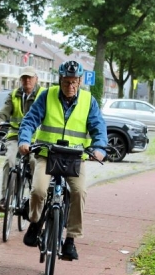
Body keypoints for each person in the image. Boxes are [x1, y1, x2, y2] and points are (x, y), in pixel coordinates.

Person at [18, 60, 107, 260]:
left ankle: (71, 240)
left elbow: (98, 127)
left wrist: (99, 148)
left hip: (75, 158)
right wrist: (24, 140)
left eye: (74, 82)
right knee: (39, 190)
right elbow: (30, 120)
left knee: (79, 192)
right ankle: (35, 222)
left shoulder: (88, 100)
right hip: (47, 154)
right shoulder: (46, 95)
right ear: (60, 80)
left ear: (80, 81)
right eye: (66, 82)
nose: (70, 86)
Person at [0, 66, 45, 212]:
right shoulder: (14, 94)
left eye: (30, 77)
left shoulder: (43, 94)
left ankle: (36, 196)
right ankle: (5, 198)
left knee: (35, 161)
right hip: (16, 135)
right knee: (10, 161)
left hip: (36, 138)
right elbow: (5, 110)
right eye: (24, 78)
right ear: (20, 79)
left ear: (36, 79)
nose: (27, 80)